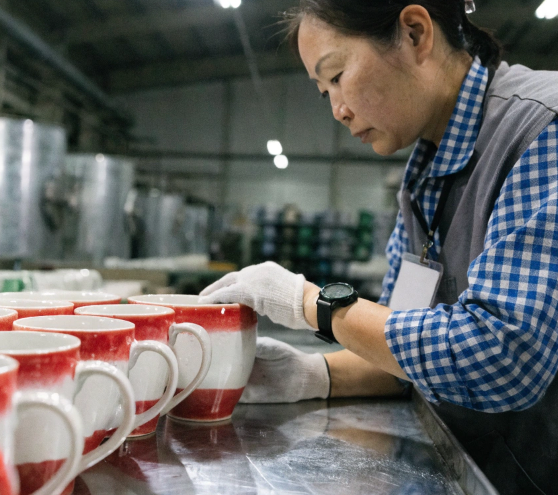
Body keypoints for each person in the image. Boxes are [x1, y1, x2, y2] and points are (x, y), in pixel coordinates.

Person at [197, 1, 558, 493]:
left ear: (414, 32)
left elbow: (501, 355)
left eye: (339, 75)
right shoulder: (423, 181)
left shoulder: (540, 130)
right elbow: (404, 346)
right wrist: (311, 376)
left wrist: (312, 303)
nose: (338, 110)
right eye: (324, 91)